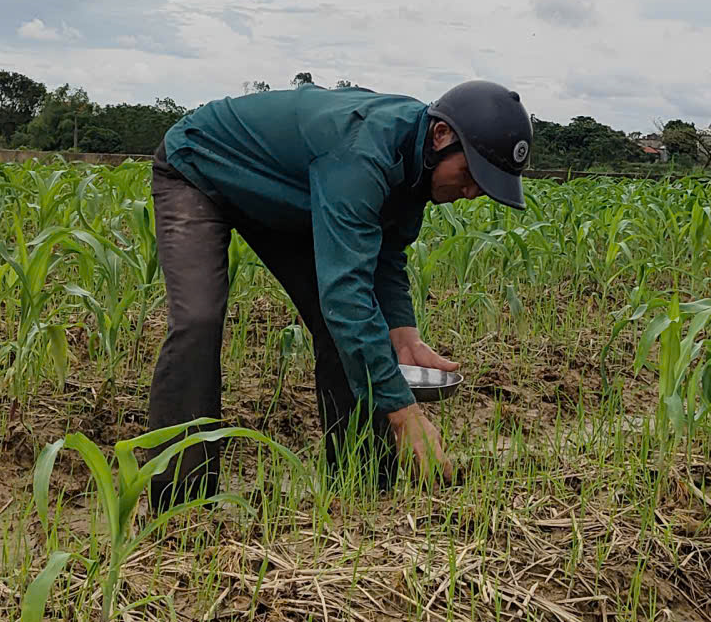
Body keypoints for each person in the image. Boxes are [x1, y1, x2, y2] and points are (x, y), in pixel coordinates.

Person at [146, 78, 534, 506]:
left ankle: (364, 490)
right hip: (201, 167)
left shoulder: (417, 161)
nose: (471, 193)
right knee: (198, 320)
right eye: (470, 175)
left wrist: (404, 335)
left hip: (285, 193)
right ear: (441, 135)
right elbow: (346, 296)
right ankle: (180, 504)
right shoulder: (362, 153)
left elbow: (387, 253)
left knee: (347, 333)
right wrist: (404, 413)